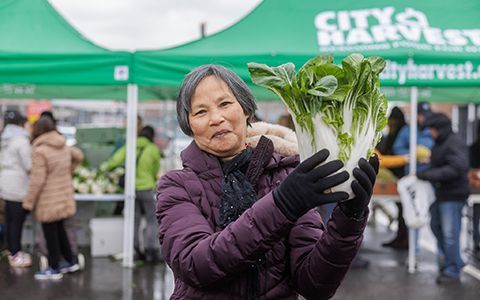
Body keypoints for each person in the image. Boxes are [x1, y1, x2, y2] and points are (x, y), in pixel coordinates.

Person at [156, 64, 378, 299]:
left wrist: (349, 219)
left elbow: (315, 285)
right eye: (201, 112)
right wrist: (281, 205)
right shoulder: (176, 186)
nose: (216, 118)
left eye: (225, 104)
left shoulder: (284, 176)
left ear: (246, 109)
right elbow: (196, 265)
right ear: (188, 125)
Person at [22, 117, 84, 280]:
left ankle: (54, 268)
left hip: (48, 198)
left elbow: (37, 179)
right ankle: (71, 262)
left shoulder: (40, 150)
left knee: (50, 234)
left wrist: (28, 202)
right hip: (64, 195)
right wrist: (68, 171)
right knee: (60, 230)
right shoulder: (62, 145)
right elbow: (78, 155)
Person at [417, 113, 470, 284]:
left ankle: (452, 270)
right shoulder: (441, 143)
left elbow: (457, 167)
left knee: (450, 234)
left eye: (432, 130)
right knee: (436, 226)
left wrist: (427, 174)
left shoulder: (454, 143)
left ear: (440, 129)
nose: (430, 133)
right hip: (441, 194)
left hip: (453, 195)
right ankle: (454, 261)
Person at [106, 125, 162, 263]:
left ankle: (135, 250)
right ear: (152, 136)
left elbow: (113, 162)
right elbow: (156, 171)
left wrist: (109, 170)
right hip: (147, 189)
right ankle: (151, 251)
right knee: (152, 220)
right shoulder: (153, 149)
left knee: (134, 220)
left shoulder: (130, 146)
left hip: (131, 190)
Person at [384, 102, 434, 249]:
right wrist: (412, 155)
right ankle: (412, 249)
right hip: (411, 177)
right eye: (420, 115)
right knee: (410, 211)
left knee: (428, 215)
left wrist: (432, 156)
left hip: (433, 177)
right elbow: (397, 148)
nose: (423, 118)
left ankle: (413, 246)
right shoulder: (408, 131)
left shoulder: (433, 130)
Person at [0, 111, 32, 267]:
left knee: (10, 219)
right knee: (16, 221)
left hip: (6, 184)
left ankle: (11, 250)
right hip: (18, 185)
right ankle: (15, 254)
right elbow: (29, 165)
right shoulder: (21, 140)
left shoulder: (5, 138)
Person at [469, 122, 480, 256]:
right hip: (476, 183)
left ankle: (476, 241)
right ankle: (476, 240)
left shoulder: (473, 147)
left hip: (476, 184)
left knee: (476, 215)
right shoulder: (474, 147)